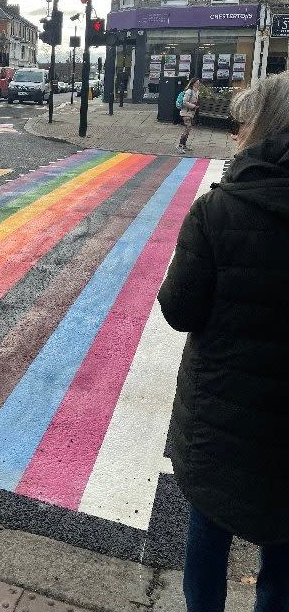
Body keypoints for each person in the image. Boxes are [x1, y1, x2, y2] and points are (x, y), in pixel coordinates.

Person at [158, 75, 289, 612]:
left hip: (220, 418)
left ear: (259, 129)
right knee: (282, 564)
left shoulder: (219, 211)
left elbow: (178, 308)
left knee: (207, 539)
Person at [178, 78, 200, 153]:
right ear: (192, 83)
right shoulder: (189, 91)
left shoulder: (196, 92)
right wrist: (193, 106)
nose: (198, 84)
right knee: (187, 128)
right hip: (186, 112)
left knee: (188, 130)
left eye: (198, 83)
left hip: (191, 113)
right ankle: (180, 146)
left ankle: (184, 145)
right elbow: (184, 102)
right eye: (196, 83)